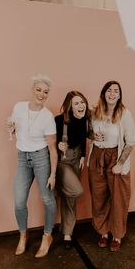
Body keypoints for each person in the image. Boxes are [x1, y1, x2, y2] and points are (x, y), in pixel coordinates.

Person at [7, 74, 57, 258]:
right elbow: (13, 126)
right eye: (38, 90)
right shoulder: (19, 107)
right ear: (32, 90)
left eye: (45, 92)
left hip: (41, 158)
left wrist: (53, 175)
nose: (42, 94)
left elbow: (52, 148)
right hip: (22, 158)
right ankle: (23, 235)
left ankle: (47, 236)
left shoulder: (48, 117)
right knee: (19, 201)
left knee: (47, 198)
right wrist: (10, 127)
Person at [88, 81, 135, 252]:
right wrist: (94, 136)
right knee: (99, 196)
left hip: (116, 157)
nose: (112, 94)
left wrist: (120, 164)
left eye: (116, 91)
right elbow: (89, 132)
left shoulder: (124, 113)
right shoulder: (95, 111)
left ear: (120, 95)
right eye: (109, 90)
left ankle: (117, 235)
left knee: (118, 198)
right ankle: (104, 232)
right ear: (103, 93)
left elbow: (130, 142)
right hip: (97, 157)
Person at [55, 91, 90, 249]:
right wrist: (57, 144)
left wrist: (83, 155)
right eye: (76, 103)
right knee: (75, 190)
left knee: (70, 198)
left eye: (82, 102)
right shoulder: (59, 120)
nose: (80, 105)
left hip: (77, 159)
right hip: (63, 160)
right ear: (69, 106)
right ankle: (58, 189)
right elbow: (47, 140)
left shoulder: (85, 120)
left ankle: (67, 232)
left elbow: (83, 138)